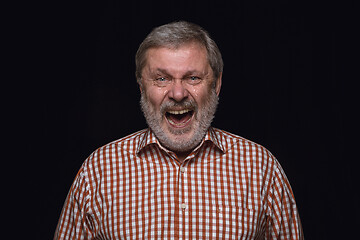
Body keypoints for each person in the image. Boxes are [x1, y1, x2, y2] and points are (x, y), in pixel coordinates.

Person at [55, 21, 304, 239]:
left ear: (216, 84)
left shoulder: (261, 169)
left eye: (192, 78)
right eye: (161, 79)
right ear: (141, 86)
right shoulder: (97, 172)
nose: (177, 93)